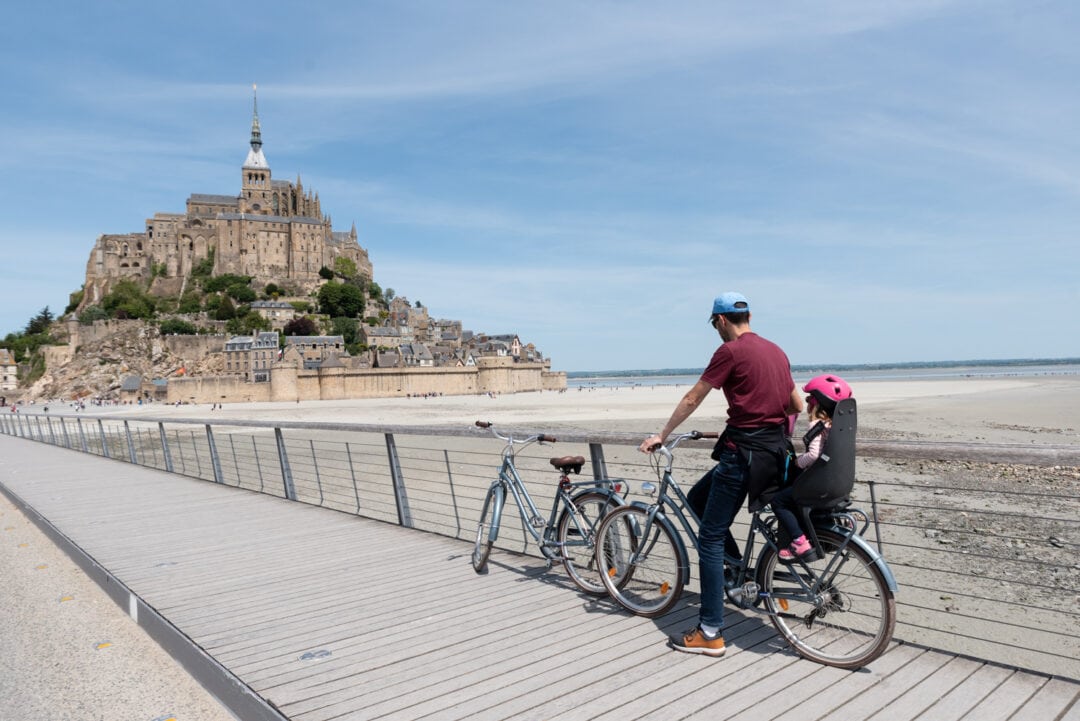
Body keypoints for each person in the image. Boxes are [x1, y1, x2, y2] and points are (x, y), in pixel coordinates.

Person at [640, 291, 802, 657]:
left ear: (721, 320)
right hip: (774, 453)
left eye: (714, 324)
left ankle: (710, 630)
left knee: (709, 539)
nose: (716, 329)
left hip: (742, 456)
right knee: (699, 499)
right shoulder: (776, 350)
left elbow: (693, 398)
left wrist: (661, 435)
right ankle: (734, 574)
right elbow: (796, 405)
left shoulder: (729, 351)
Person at [770, 374, 853, 562]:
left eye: (809, 399)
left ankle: (799, 541)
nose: (806, 403)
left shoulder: (817, 424)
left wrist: (797, 462)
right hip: (835, 483)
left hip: (817, 484)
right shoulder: (837, 426)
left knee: (779, 502)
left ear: (816, 404)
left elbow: (814, 455)